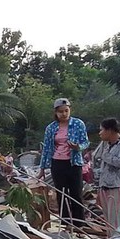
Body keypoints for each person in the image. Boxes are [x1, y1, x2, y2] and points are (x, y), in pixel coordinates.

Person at [40, 97, 90, 227]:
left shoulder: (78, 124)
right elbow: (46, 148)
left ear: (70, 110)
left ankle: (79, 223)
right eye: (61, 111)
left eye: (66, 111)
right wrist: (42, 168)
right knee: (61, 194)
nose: (64, 114)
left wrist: (78, 147)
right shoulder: (51, 128)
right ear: (56, 113)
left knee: (76, 193)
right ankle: (66, 222)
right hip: (57, 163)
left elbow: (85, 142)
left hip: (74, 163)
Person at [92, 118, 120, 230]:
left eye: (102, 130)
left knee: (117, 221)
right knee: (109, 222)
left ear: (110, 130)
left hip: (118, 186)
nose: (100, 133)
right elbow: (96, 159)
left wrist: (105, 155)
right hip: (105, 186)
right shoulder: (106, 145)